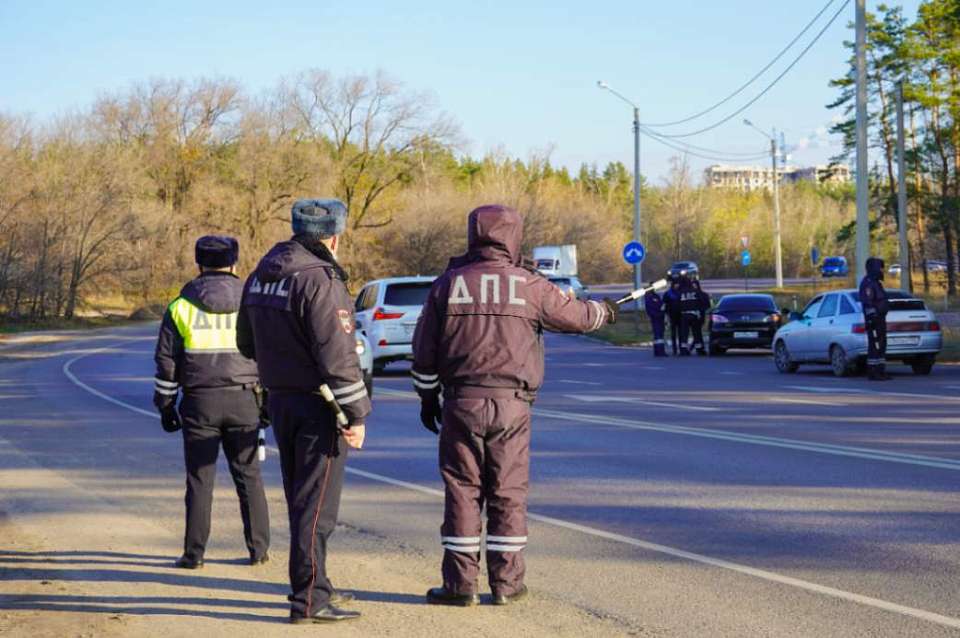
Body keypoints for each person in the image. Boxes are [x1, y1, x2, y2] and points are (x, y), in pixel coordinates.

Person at [411, 204, 616, 607]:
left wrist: (426, 397)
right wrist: (605, 312)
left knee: (463, 491)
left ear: (473, 234)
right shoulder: (530, 284)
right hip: (513, 406)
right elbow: (577, 316)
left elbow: (424, 352)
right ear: (514, 236)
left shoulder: (448, 284)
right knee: (508, 491)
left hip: (460, 403)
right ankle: (506, 585)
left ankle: (459, 586)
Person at [237, 199, 370, 624]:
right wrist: (356, 414)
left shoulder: (261, 275)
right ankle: (309, 598)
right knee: (317, 507)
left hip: (280, 400)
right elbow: (338, 355)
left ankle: (315, 582)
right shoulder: (320, 279)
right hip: (319, 405)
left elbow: (245, 343)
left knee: (301, 499)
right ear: (333, 236)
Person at [153, 235, 270, 570]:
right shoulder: (252, 302)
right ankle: (258, 550)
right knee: (249, 475)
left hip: (199, 402)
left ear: (198, 264)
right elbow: (269, 354)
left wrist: (165, 404)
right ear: (234, 264)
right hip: (245, 398)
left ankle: (194, 554)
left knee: (200, 480)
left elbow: (166, 362)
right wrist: (269, 404)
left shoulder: (180, 306)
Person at [859, 256, 890, 381]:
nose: (882, 271)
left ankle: (881, 371)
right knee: (875, 345)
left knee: (881, 345)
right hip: (874, 320)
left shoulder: (876, 283)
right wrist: (872, 319)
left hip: (880, 319)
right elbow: (868, 302)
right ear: (874, 269)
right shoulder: (868, 283)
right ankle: (873, 372)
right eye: (880, 268)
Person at [678, 275, 700, 356]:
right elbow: (699, 302)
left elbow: (677, 304)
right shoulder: (694, 291)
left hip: (684, 315)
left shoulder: (681, 292)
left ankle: (683, 350)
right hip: (694, 314)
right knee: (696, 333)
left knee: (684, 333)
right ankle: (699, 349)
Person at [643, 286, 667, 357]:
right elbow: (651, 309)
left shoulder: (655, 296)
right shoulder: (650, 298)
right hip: (656, 318)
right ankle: (659, 351)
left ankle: (659, 350)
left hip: (660, 317)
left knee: (660, 335)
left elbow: (661, 305)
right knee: (658, 335)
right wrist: (659, 313)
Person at [691, 279, 711, 356]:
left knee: (697, 333)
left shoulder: (703, 295)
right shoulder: (690, 295)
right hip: (692, 316)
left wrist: (701, 310)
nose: (693, 286)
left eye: (694, 284)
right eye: (692, 285)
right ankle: (699, 348)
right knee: (697, 333)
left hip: (700, 316)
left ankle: (699, 348)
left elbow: (707, 305)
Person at [664, 278, 682, 355]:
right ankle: (675, 349)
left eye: (678, 284)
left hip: (681, 315)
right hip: (672, 315)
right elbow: (665, 305)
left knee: (681, 333)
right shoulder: (668, 294)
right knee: (673, 333)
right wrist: (666, 316)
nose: (677, 285)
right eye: (675, 284)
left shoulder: (681, 292)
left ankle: (682, 348)